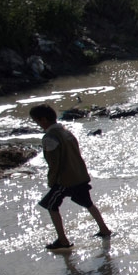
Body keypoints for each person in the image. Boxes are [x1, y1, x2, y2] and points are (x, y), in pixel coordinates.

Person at [29, 104, 112, 250]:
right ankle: (104, 229)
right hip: (79, 175)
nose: (37, 124)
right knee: (87, 202)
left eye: (36, 121)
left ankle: (62, 239)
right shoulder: (67, 133)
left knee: (51, 205)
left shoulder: (50, 138)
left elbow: (54, 163)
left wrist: (52, 181)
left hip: (65, 179)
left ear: (43, 120)